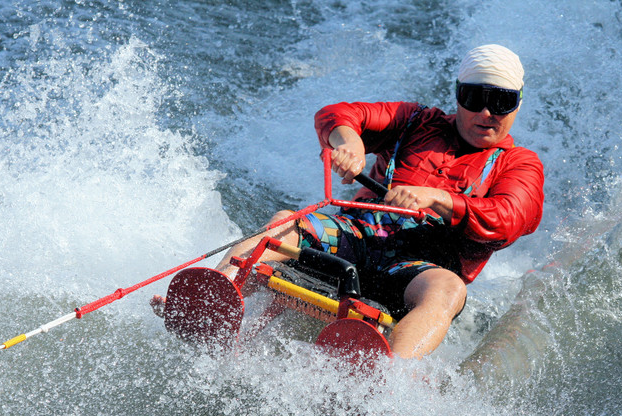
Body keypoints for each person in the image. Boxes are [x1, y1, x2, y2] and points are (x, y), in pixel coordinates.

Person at [217, 44, 544, 359]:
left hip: (414, 273)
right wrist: (350, 144)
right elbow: (338, 114)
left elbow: (510, 217)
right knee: (285, 221)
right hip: (354, 238)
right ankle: (214, 294)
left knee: (450, 290)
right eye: (474, 98)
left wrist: (437, 198)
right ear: (458, 95)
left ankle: (390, 386)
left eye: (501, 102)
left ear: (517, 104)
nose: (486, 113)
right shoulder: (415, 121)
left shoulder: (520, 164)